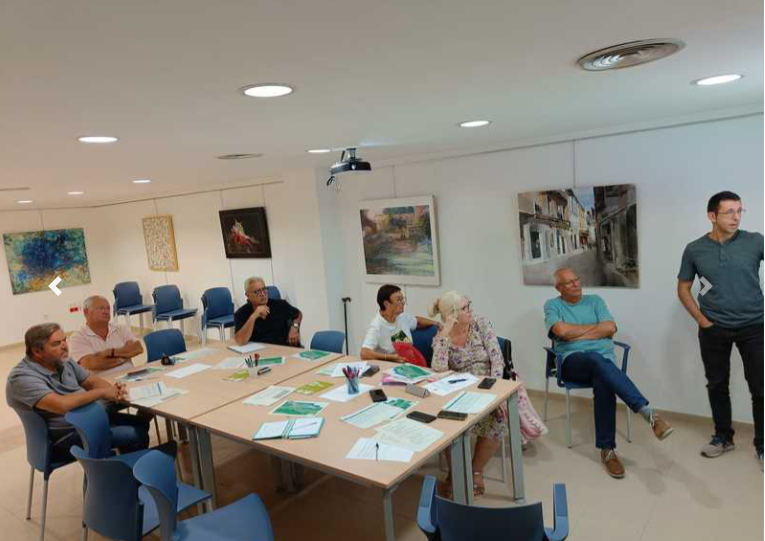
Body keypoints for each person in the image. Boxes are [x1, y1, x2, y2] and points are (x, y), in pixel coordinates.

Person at [544, 268, 673, 479]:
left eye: (577, 279)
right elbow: (562, 332)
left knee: (602, 378)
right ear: (558, 288)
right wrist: (595, 330)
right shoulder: (552, 305)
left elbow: (610, 328)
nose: (576, 284)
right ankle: (648, 414)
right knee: (596, 359)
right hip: (572, 363)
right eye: (569, 282)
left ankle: (608, 451)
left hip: (602, 364)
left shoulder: (595, 301)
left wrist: (575, 335)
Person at [429, 291, 547, 497]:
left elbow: (497, 359)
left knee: (498, 419)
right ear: (452, 314)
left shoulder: (480, 324)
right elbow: (438, 368)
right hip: (459, 391)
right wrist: (445, 334)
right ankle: (456, 474)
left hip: (487, 386)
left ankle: (475, 470)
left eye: (469, 305)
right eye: (465, 308)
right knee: (447, 423)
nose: (470, 310)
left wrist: (495, 392)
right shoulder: (441, 336)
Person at [677, 191, 763, 469]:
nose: (736, 217)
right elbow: (683, 288)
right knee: (717, 384)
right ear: (712, 216)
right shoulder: (695, 249)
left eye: (739, 211)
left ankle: (762, 444)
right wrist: (702, 320)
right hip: (714, 328)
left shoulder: (755, 241)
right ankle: (723, 437)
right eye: (729, 212)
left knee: (760, 386)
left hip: (754, 326)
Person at [6, 323, 150, 462]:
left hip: (91, 420)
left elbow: (91, 381)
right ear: (37, 352)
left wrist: (112, 390)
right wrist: (101, 393)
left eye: (64, 340)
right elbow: (62, 405)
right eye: (56, 344)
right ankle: (110, 473)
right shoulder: (22, 377)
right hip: (66, 434)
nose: (64, 346)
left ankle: (119, 467)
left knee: (141, 423)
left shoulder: (62, 361)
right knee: (136, 434)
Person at [360, 284, 440, 362]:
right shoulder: (377, 325)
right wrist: (390, 357)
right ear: (386, 304)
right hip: (391, 364)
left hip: (409, 361)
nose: (403, 302)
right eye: (399, 300)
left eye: (402, 299)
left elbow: (417, 321)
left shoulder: (401, 316)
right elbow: (364, 353)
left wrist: (436, 323)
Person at [68, 295, 144, 375]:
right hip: (103, 381)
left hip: (130, 377)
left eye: (108, 308)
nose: (106, 311)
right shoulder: (77, 338)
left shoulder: (120, 329)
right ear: (86, 312)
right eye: (101, 308)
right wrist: (124, 354)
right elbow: (91, 364)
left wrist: (110, 352)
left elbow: (138, 348)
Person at [234, 277, 302, 346]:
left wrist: (295, 327)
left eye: (264, 289)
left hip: (285, 347)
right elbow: (240, 341)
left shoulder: (280, 304)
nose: (263, 294)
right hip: (261, 350)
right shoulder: (241, 313)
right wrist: (253, 316)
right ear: (248, 295)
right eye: (257, 292)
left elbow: (298, 314)